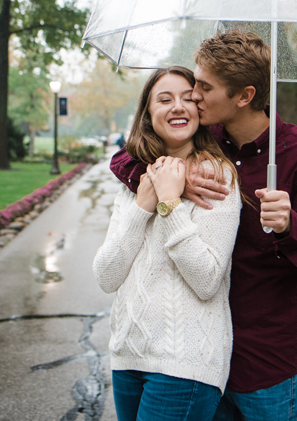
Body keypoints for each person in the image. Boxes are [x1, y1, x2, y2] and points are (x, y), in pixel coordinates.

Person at [110, 30, 297, 421]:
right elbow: (125, 157)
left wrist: (291, 226)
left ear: (244, 96)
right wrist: (172, 177)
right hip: (193, 356)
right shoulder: (205, 140)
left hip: (265, 363)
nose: (193, 94)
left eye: (204, 87)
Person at [94, 66, 242, 421]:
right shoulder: (135, 182)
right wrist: (143, 205)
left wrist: (170, 204)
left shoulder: (215, 178)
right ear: (147, 114)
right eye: (165, 99)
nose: (178, 107)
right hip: (127, 355)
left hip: (185, 363)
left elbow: (207, 280)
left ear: (200, 111)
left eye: (189, 99)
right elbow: (106, 276)